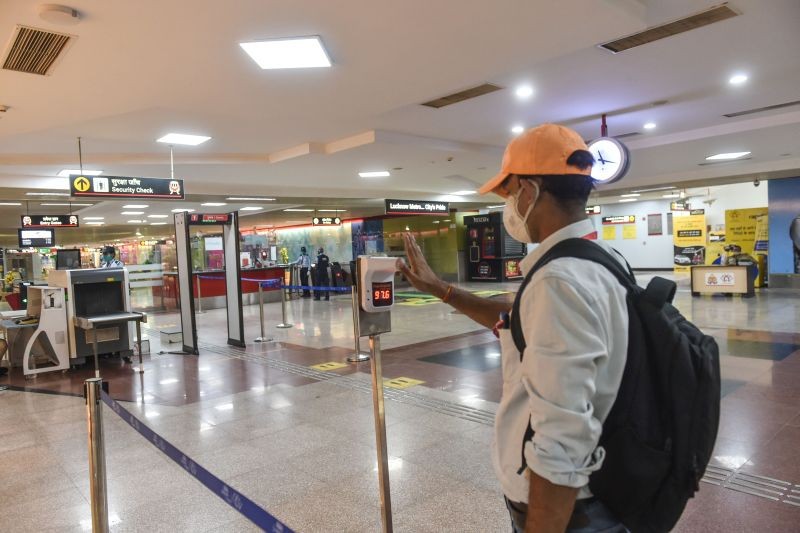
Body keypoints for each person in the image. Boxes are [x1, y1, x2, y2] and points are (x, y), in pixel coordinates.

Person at [398, 124, 630, 532]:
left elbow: (560, 439)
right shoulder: (603, 257)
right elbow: (518, 319)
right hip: (605, 483)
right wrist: (444, 291)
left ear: (529, 189)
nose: (509, 205)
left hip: (571, 510)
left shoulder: (558, 281)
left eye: (508, 194)